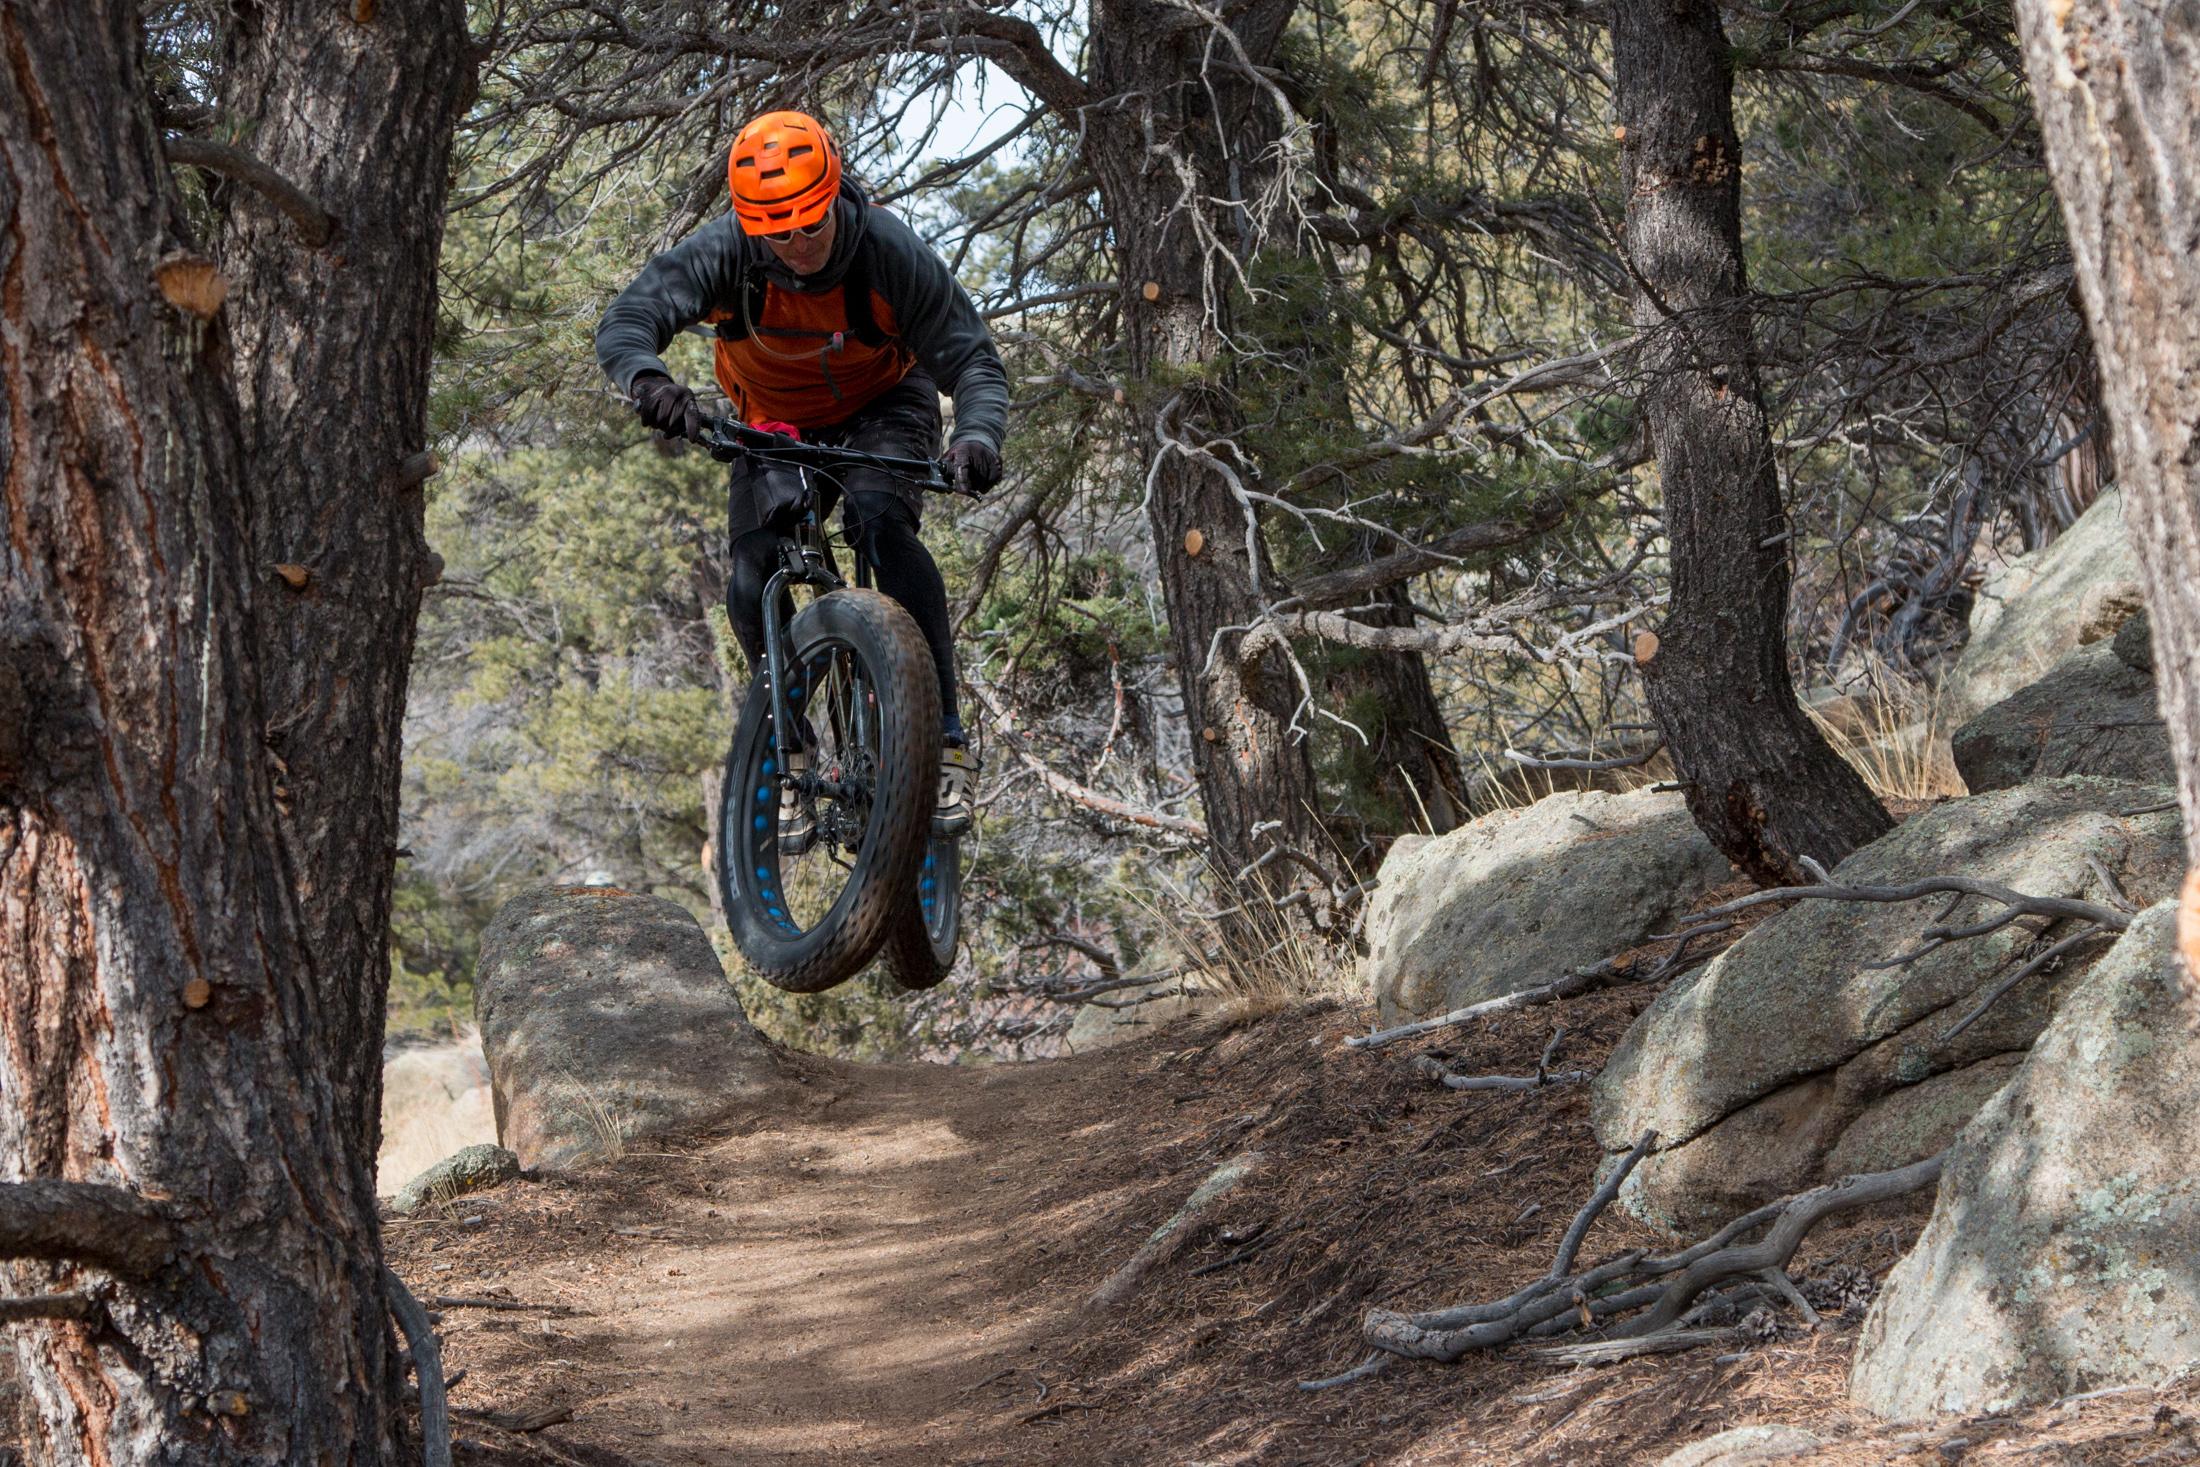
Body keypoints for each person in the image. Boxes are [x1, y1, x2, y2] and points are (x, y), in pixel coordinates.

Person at [596, 109, 1005, 843]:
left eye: (809, 225)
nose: (796, 244)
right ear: (750, 223)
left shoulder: (886, 250)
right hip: (772, 419)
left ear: (833, 194)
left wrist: (976, 436)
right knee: (751, 576)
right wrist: (649, 381)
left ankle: (943, 739)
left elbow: (972, 360)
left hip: (883, 403)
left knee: (881, 523)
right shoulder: (727, 251)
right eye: (776, 232)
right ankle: (791, 745)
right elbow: (631, 319)